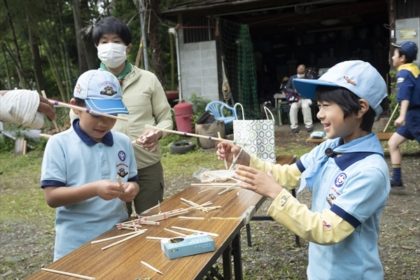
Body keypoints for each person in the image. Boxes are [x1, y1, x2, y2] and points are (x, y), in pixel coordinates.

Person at [217, 60, 390, 279]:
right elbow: (288, 175)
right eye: (319, 106)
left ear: (361, 108)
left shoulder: (369, 171)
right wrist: (244, 158)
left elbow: (327, 229)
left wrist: (275, 193)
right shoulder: (331, 146)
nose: (319, 114)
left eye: (327, 106)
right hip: (320, 272)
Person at [41, 70, 139, 260]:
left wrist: (131, 189)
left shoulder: (123, 142)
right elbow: (52, 197)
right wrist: (95, 188)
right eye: (96, 114)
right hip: (75, 245)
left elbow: (133, 181)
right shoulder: (59, 144)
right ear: (75, 106)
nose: (104, 123)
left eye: (112, 115)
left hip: (118, 235)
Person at [92, 16, 173, 216]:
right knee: (118, 226)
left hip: (147, 165)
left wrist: (158, 132)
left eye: (116, 41)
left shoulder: (148, 79)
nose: (110, 46)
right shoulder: (90, 83)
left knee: (151, 221)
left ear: (127, 47)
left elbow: (166, 118)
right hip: (109, 168)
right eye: (104, 42)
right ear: (97, 47)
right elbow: (77, 123)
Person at [387, 41, 420, 189]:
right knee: (393, 143)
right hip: (412, 116)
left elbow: (405, 96)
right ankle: (397, 179)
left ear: (402, 57)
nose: (392, 57)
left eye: (394, 54)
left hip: (414, 116)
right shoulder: (414, 69)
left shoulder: (404, 72)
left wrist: (401, 116)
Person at [286, 64, 314, 133]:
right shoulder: (292, 77)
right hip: (296, 98)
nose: (300, 69)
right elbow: (287, 88)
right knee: (293, 107)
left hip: (305, 98)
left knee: (305, 106)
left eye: (302, 68)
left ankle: (309, 126)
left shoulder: (309, 77)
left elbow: (312, 87)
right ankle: (294, 127)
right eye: (299, 68)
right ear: (297, 69)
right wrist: (293, 91)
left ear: (305, 70)